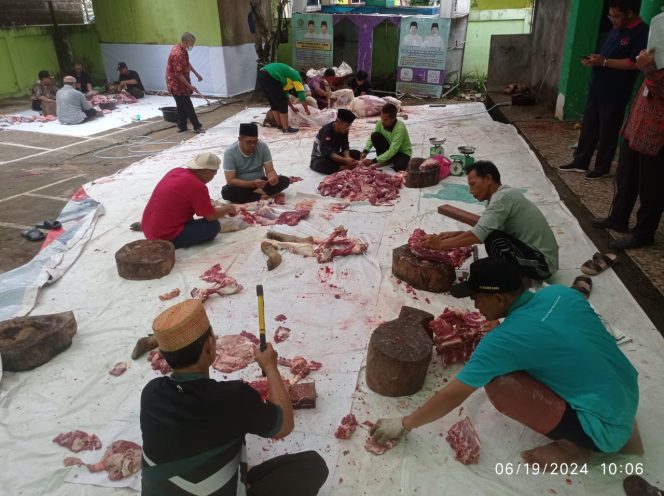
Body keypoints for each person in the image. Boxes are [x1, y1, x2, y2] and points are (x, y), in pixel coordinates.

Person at [370, 257, 643, 467]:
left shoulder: (502, 342)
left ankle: (575, 448)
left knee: (500, 382)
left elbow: (452, 395)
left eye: (476, 297)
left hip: (604, 431)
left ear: (499, 297)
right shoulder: (560, 294)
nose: (474, 305)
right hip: (627, 392)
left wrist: (405, 424)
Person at [140, 299, 329, 495]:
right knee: (312, 466)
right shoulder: (233, 397)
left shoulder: (150, 393)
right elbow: (284, 426)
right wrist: (270, 367)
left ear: (163, 354)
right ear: (209, 345)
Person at [422, 161, 559, 281]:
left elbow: (480, 234)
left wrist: (440, 244)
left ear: (488, 178)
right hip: (535, 256)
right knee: (491, 237)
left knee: (494, 240)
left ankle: (515, 281)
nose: (471, 191)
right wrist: (455, 235)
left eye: (473, 184)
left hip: (542, 265)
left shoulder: (502, 198)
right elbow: (485, 228)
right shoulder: (502, 196)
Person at [559, 0, 648, 180]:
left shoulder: (641, 32)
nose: (612, 20)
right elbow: (608, 55)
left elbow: (634, 63)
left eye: (616, 16)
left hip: (615, 91)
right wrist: (596, 60)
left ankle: (602, 167)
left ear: (629, 13)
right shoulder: (616, 29)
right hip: (599, 86)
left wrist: (604, 62)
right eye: (610, 15)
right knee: (589, 127)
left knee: (608, 130)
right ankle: (580, 161)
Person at [591, 44, 664, 250]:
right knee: (626, 175)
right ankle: (618, 217)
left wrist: (648, 69)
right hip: (639, 126)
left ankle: (643, 233)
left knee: (651, 186)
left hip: (657, 134)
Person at [141, 153, 236, 249]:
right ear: (207, 172)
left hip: (148, 226)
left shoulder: (176, 171)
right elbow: (210, 217)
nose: (213, 177)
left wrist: (209, 202)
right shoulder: (198, 186)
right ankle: (172, 239)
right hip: (162, 238)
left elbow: (187, 194)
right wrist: (227, 208)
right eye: (213, 174)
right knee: (213, 226)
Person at [221, 123, 290, 204]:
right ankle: (266, 196)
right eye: (249, 142)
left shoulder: (262, 146)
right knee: (226, 192)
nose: (253, 145)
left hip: (262, 183)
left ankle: (253, 197)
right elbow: (231, 180)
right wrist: (252, 184)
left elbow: (270, 170)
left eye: (255, 141)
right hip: (241, 186)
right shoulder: (230, 152)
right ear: (240, 139)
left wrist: (272, 177)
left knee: (284, 180)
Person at [166, 32, 205, 133]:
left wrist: (196, 74)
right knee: (187, 105)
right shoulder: (177, 54)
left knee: (181, 105)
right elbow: (178, 75)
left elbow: (186, 63)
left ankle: (182, 126)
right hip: (176, 83)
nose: (192, 46)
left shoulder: (182, 50)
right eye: (192, 43)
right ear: (186, 42)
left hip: (180, 82)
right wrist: (190, 86)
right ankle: (197, 126)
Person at [257, 62, 310, 133]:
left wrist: (292, 107)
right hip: (271, 75)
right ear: (302, 79)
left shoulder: (287, 76)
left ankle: (280, 125)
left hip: (261, 74)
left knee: (274, 102)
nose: (301, 84)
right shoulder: (297, 77)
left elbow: (285, 95)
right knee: (282, 103)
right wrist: (306, 110)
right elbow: (301, 95)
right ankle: (286, 128)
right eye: (302, 83)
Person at [359, 103, 412, 171]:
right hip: (389, 147)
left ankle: (388, 159)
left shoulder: (400, 128)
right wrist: (365, 151)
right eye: (382, 118)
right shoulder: (380, 123)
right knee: (375, 135)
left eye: (386, 119)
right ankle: (386, 159)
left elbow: (393, 150)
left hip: (401, 152)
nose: (382, 121)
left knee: (399, 167)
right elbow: (371, 139)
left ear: (393, 119)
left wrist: (374, 161)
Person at [310, 109, 360, 174]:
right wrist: (345, 161)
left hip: (335, 156)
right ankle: (345, 168)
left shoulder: (344, 130)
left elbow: (345, 145)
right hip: (321, 158)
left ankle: (343, 166)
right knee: (320, 164)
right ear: (338, 122)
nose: (348, 128)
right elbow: (328, 153)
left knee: (357, 153)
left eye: (349, 126)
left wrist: (347, 157)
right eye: (347, 125)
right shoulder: (326, 131)